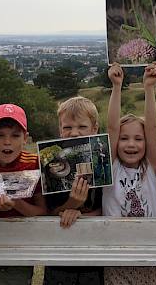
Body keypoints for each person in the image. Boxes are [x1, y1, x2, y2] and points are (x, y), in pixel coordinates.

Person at [101, 62, 156, 285]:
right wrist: (117, 87)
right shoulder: (110, 169)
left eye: (138, 139)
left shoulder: (150, 168)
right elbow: (111, 128)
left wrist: (148, 88)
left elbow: (152, 128)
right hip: (116, 254)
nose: (131, 144)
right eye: (124, 138)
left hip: (150, 251)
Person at [0, 103, 47, 285]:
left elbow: (42, 211)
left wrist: (16, 203)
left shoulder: (35, 165)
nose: (7, 142)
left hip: (19, 255)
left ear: (25, 138)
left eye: (15, 135)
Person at [43, 96, 104, 285]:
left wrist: (82, 214)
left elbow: (110, 207)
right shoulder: (50, 163)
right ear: (60, 130)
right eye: (67, 127)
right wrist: (73, 204)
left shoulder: (103, 161)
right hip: (60, 255)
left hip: (95, 256)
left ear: (94, 129)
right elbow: (49, 212)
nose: (74, 133)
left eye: (82, 127)